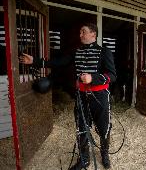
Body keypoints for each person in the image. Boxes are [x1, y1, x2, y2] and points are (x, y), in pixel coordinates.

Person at [19, 23, 116, 169]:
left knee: (104, 128)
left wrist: (93, 78)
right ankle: (84, 159)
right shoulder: (76, 52)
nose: (80, 35)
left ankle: (104, 153)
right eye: (80, 32)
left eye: (83, 32)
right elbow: (58, 62)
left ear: (93, 35)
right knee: (81, 128)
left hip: (100, 97)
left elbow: (112, 75)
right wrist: (35, 61)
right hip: (81, 97)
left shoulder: (104, 52)